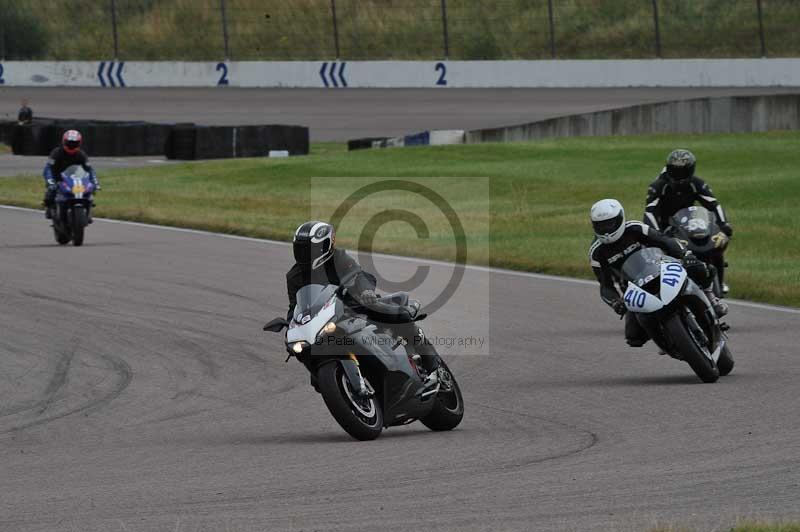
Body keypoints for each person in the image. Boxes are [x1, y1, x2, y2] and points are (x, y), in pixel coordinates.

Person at [286, 220, 439, 372]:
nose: (303, 254)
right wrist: (291, 327)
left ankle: (432, 362)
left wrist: (367, 292)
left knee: (398, 316)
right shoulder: (294, 276)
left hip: (354, 305)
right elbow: (295, 306)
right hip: (324, 320)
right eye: (300, 249)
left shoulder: (338, 257)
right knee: (312, 365)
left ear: (325, 246)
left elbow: (359, 276)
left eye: (308, 250)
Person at [589, 199, 727, 348]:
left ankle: (712, 299)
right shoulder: (596, 252)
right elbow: (605, 286)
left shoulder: (635, 228)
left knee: (699, 268)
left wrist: (685, 255)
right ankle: (666, 339)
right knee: (634, 337)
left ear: (620, 219)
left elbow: (665, 241)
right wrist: (616, 302)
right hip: (635, 288)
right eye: (601, 225)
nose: (607, 229)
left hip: (661, 266)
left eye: (610, 224)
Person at [644, 149, 732, 293]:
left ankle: (720, 283)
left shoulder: (697, 184)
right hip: (665, 228)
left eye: (683, 172)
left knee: (715, 242)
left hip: (689, 224)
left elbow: (713, 204)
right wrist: (656, 234)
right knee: (665, 252)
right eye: (676, 172)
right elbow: (650, 212)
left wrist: (724, 225)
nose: (680, 177)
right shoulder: (658, 186)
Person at [42, 130, 99, 219]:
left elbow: (89, 170)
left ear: (79, 143)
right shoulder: (56, 152)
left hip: (74, 178)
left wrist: (94, 182)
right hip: (58, 178)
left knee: (89, 192)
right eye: (69, 143)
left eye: (74, 144)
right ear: (64, 142)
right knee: (50, 194)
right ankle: (51, 209)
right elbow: (48, 168)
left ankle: (88, 212)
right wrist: (51, 182)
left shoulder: (81, 154)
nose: (71, 146)